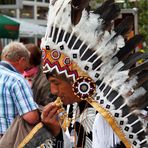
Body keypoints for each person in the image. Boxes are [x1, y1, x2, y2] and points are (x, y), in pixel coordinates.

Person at [0, 42, 39, 138]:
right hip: (8, 138)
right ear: (22, 60)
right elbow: (31, 117)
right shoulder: (17, 80)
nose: (25, 69)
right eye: (26, 64)